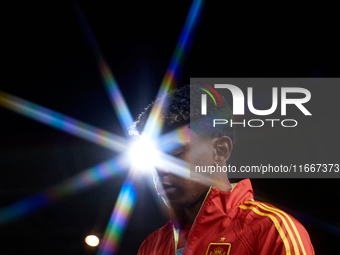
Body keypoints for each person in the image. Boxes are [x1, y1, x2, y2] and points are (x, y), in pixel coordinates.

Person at [132, 85, 314, 255]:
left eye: (176, 153)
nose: (159, 169)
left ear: (221, 150)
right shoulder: (150, 246)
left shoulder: (273, 231)